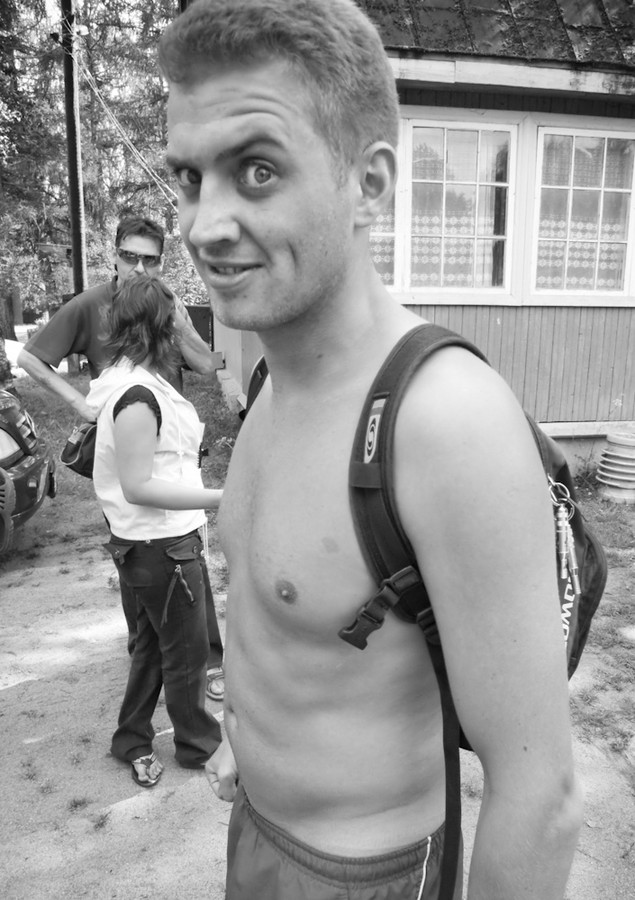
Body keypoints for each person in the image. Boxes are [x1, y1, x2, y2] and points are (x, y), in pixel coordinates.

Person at [159, 1, 583, 898]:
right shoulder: (272, 384)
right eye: (191, 178)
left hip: (367, 873)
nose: (203, 224)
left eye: (257, 170)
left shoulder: (444, 422)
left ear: (370, 182)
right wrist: (250, 743)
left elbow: (538, 796)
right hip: (255, 830)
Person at [18, 217, 225, 701]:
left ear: (162, 262)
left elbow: (205, 365)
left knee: (188, 550)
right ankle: (148, 654)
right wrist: (79, 404)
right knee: (135, 553)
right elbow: (29, 358)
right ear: (113, 255)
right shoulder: (91, 304)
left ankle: (207, 657)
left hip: (172, 448)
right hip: (125, 451)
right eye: (130, 256)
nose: (139, 267)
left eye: (150, 259)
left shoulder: (165, 301)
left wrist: (179, 324)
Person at [86, 273, 222, 786]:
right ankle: (200, 746)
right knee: (186, 654)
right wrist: (223, 498)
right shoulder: (137, 397)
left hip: (158, 545)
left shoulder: (142, 381)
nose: (184, 322)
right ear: (159, 325)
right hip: (161, 548)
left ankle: (131, 739)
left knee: (150, 649)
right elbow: (139, 486)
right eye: (178, 315)